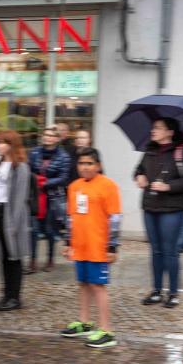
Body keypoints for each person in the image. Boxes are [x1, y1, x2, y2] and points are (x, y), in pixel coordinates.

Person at [134, 118, 183, 308]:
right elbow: (139, 169)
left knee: (170, 250)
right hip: (150, 206)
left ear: (170, 132)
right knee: (155, 249)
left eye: (158, 128)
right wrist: (139, 176)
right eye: (153, 127)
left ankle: (173, 293)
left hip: (172, 208)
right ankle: (156, 291)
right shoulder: (150, 149)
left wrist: (168, 186)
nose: (153, 130)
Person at [60, 148, 122, 348]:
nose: (85, 167)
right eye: (81, 163)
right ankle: (85, 322)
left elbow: (115, 218)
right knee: (83, 283)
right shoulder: (74, 186)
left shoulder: (108, 185)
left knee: (98, 286)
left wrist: (112, 246)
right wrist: (68, 242)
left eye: (89, 163)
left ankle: (107, 330)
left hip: (98, 245)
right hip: (80, 245)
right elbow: (70, 217)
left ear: (98, 166)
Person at [0, 131, 35, 311]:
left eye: (1, 142)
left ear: (11, 145)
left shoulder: (21, 167)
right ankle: (6, 295)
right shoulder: (0, 164)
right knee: (4, 257)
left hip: (12, 214)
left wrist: (14, 224)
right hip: (0, 211)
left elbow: (19, 198)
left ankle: (14, 297)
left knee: (14, 257)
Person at [28, 127, 71, 273]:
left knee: (50, 230)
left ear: (57, 138)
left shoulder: (63, 156)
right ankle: (32, 261)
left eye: (52, 135)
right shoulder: (34, 152)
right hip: (35, 196)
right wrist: (35, 180)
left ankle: (50, 259)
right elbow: (29, 170)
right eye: (46, 134)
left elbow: (64, 178)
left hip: (53, 197)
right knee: (33, 229)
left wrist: (45, 183)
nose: (48, 137)